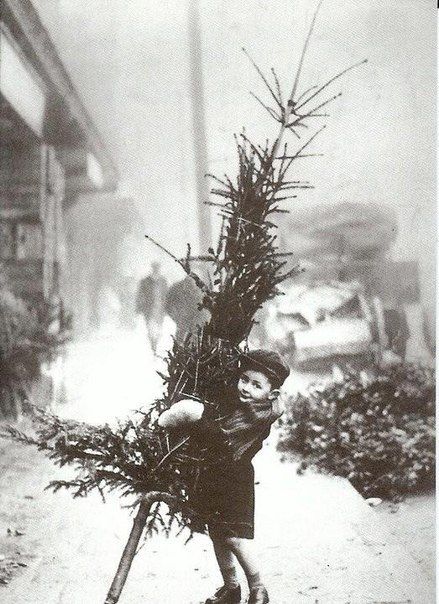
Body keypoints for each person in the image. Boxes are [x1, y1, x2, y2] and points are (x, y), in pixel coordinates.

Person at [158, 349, 290, 604]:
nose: (246, 388)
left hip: (234, 482)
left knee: (233, 538)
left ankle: (258, 588)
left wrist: (192, 416)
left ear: (272, 395)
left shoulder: (260, 415)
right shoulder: (239, 403)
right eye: (244, 379)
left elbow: (220, 437)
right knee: (217, 534)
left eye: (256, 385)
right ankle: (231, 588)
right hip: (214, 478)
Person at [164, 273, 209, 342]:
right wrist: (176, 317)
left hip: (197, 322)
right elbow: (168, 304)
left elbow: (207, 307)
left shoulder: (201, 289)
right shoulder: (176, 288)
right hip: (183, 322)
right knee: (181, 342)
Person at [135, 262, 168, 354]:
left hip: (160, 308)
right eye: (155, 268)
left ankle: (155, 342)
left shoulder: (163, 281)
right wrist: (139, 307)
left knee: (159, 327)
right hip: (148, 308)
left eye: (157, 268)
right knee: (150, 327)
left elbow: (166, 294)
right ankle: (153, 344)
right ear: (152, 268)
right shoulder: (145, 281)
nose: (156, 269)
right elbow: (140, 295)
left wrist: (166, 307)